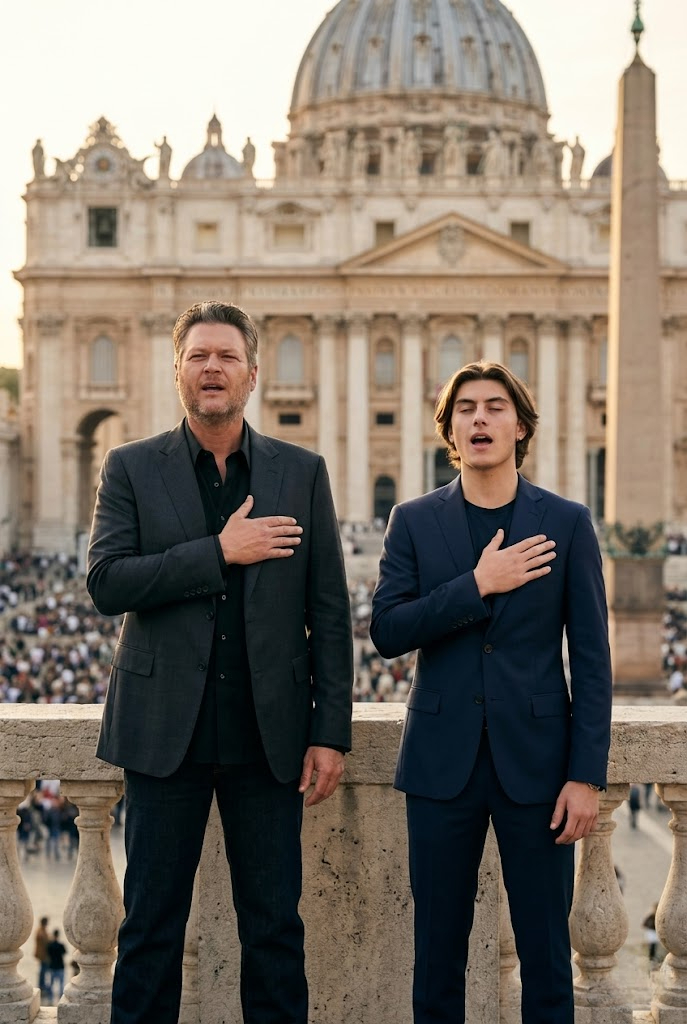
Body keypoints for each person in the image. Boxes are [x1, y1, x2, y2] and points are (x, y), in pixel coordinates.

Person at [87, 300, 353, 1024]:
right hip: (161, 734)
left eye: (226, 357)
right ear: (178, 371)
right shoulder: (131, 467)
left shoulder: (301, 471)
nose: (212, 368)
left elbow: (328, 609)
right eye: (198, 356)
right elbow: (106, 582)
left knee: (273, 933)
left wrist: (330, 729)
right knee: (148, 931)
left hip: (267, 739)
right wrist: (217, 554)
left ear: (252, 373)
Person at [370, 360, 612, 1024]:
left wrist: (585, 776)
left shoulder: (565, 522)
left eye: (494, 406)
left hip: (537, 767)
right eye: (465, 408)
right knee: (436, 962)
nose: (479, 418)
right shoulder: (413, 520)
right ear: (448, 429)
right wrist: (476, 585)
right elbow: (386, 630)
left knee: (545, 962)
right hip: (439, 765)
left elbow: (592, 663)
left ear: (520, 425)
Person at [47, 929, 66, 1001]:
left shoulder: (50, 945)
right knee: (61, 983)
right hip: (60, 966)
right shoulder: (61, 945)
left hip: (52, 966)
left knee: (51, 983)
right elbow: (64, 952)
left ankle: (50, 998)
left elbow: (48, 953)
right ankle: (61, 997)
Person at [34, 916, 51, 998]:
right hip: (43, 955)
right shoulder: (41, 932)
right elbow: (45, 943)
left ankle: (42, 986)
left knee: (43, 970)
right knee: (43, 971)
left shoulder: (41, 930)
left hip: (42, 955)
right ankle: (42, 986)